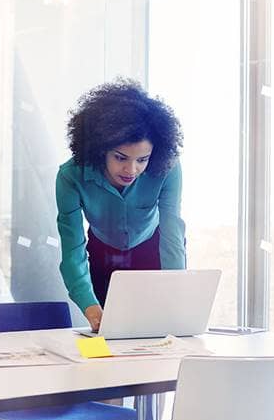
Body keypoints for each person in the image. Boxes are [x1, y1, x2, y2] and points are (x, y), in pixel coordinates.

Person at [56, 78, 186, 331]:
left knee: (161, 330)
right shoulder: (70, 176)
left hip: (154, 249)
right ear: (100, 149)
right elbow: (73, 251)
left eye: (143, 160)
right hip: (104, 254)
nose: (131, 169)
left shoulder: (168, 168)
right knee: (108, 332)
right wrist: (89, 305)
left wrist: (176, 293)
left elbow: (172, 236)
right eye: (120, 158)